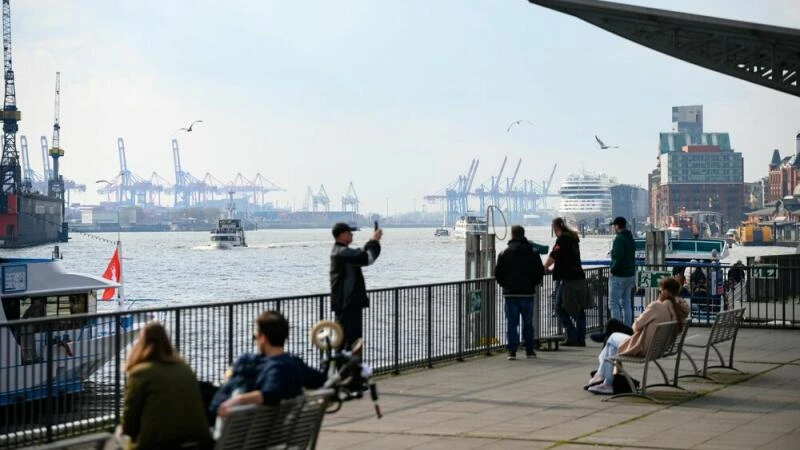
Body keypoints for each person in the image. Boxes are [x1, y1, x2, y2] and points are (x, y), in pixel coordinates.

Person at [585, 277, 689, 394]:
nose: (660, 293)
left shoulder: (657, 306)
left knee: (612, 339)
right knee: (611, 341)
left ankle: (606, 380)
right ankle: (602, 377)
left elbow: (635, 327)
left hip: (644, 347)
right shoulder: (679, 309)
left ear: (665, 291)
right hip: (659, 348)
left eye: (660, 290)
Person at [217, 311, 326, 417]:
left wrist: (237, 399)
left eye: (255, 337)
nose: (255, 341)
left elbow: (271, 393)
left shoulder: (277, 368)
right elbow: (322, 381)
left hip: (244, 428)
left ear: (263, 339)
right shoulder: (295, 363)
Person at [122, 322, 212, 450]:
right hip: (197, 443)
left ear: (141, 344)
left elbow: (129, 426)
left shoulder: (140, 373)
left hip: (158, 445)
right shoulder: (184, 369)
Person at [494, 225, 545, 360]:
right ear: (523, 234)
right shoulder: (533, 253)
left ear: (512, 235)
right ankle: (530, 350)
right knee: (528, 323)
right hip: (528, 293)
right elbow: (540, 271)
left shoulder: (504, 253)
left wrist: (505, 285)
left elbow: (498, 273)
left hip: (510, 293)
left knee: (511, 323)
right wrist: (532, 284)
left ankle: (512, 351)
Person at [330, 222, 382, 350]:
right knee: (350, 342)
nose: (352, 234)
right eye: (349, 232)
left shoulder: (342, 252)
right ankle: (347, 368)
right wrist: (374, 240)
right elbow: (367, 258)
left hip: (346, 305)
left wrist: (372, 241)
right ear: (341, 235)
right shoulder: (343, 253)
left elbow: (361, 255)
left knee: (347, 341)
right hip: (348, 306)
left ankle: (347, 367)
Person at [544, 217, 588, 347]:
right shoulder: (573, 239)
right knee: (579, 308)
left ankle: (572, 335)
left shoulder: (562, 239)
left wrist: (545, 268)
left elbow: (554, 255)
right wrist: (555, 268)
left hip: (567, 279)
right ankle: (581, 338)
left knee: (558, 307)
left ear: (555, 228)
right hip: (579, 276)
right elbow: (567, 258)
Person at [608, 216, 636, 327]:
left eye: (614, 226)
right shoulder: (630, 237)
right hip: (630, 275)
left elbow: (618, 257)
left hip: (619, 275)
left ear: (617, 226)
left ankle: (617, 328)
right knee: (626, 303)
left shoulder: (619, 239)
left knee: (614, 303)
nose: (613, 228)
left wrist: (612, 270)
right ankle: (628, 327)